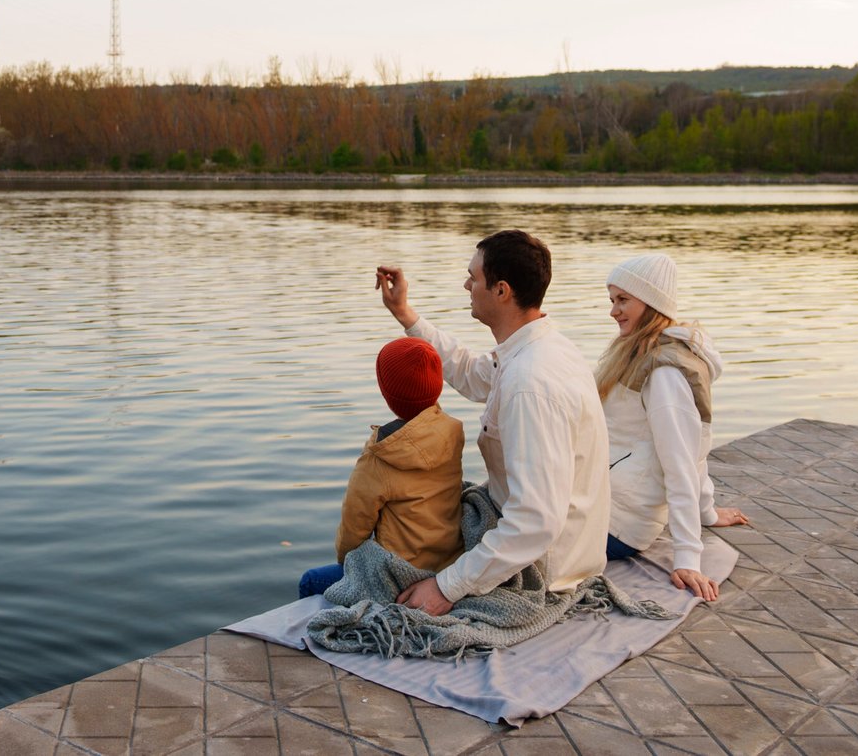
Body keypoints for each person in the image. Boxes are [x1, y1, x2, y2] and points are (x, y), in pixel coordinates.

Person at [376, 230, 610, 616]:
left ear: (501, 290)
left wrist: (446, 586)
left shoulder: (531, 382)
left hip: (543, 568)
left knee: (338, 577)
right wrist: (404, 312)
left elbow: (535, 521)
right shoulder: (538, 348)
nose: (466, 285)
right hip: (526, 536)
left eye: (473, 277)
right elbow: (471, 373)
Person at [596, 253, 750, 603]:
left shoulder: (664, 372)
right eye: (612, 300)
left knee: (498, 525)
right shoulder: (638, 353)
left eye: (623, 300)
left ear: (650, 302)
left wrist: (688, 559)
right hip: (603, 506)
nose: (613, 311)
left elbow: (683, 462)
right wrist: (708, 512)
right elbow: (692, 451)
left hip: (615, 527)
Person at [298, 337, 465, 599]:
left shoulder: (380, 458)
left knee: (311, 581)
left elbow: (353, 532)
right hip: (448, 564)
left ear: (386, 393)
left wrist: (348, 565)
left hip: (398, 574)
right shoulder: (451, 432)